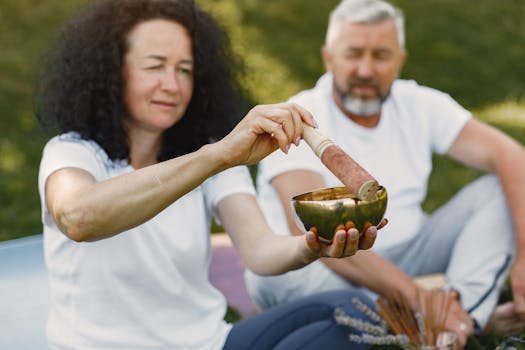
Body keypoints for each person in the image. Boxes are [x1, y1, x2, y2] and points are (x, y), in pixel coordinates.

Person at [34, 0, 383, 349]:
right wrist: (218, 156)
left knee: (354, 313)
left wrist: (313, 246)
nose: (172, 84)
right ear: (111, 70)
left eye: (185, 70)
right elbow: (78, 217)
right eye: (155, 66)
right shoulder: (72, 153)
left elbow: (260, 250)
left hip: (209, 342)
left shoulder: (207, 153)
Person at [244, 0, 525, 348]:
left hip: (408, 257)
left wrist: (524, 257)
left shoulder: (420, 104)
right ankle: (443, 321)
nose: (365, 69)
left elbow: (512, 156)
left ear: (400, 60)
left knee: (498, 190)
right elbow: (311, 232)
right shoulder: (300, 117)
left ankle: (459, 317)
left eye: (380, 55)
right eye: (353, 54)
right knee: (289, 275)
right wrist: (418, 296)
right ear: (329, 57)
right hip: (324, 270)